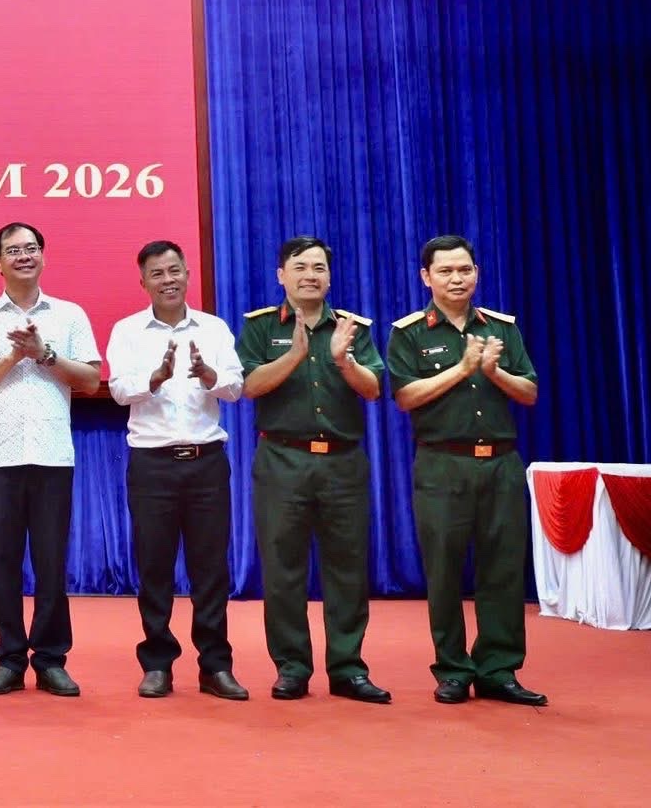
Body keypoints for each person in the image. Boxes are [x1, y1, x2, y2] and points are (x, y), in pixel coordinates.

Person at [388, 234, 546, 707]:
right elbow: (405, 396)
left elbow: (529, 392)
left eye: (465, 270)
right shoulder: (409, 332)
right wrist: (461, 369)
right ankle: (453, 669)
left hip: (500, 463)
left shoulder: (501, 328)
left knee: (503, 570)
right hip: (442, 465)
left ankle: (499, 669)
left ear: (476, 273)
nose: (457, 279)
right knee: (443, 571)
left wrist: (494, 372)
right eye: (446, 271)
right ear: (426, 277)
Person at [236, 236, 391, 704]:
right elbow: (249, 386)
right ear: (281, 275)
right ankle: (292, 667)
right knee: (283, 569)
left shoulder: (352, 328)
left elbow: (373, 389)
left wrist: (343, 360)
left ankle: (348, 668)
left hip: (343, 463)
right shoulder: (261, 327)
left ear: (329, 276)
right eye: (300, 267)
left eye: (319, 267)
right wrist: (293, 356)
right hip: (282, 460)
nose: (310, 275)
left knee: (347, 569)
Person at [0, 222, 101, 697]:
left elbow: (91, 380)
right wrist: (12, 358)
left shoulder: (70, 314)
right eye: (13, 250)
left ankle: (52, 659)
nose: (24, 256)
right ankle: (10, 658)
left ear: (43, 256)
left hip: (53, 454)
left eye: (32, 248)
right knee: (3, 563)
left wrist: (43, 353)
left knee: (52, 562)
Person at [105, 240, 247, 700]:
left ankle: (215, 666)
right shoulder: (128, 331)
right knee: (154, 568)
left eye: (174, 271)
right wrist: (155, 378)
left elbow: (235, 387)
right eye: (157, 274)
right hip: (153, 465)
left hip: (207, 463)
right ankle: (157, 664)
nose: (168, 280)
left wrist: (209, 376)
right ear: (143, 282)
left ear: (187, 274)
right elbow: (119, 390)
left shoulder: (213, 328)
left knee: (211, 570)